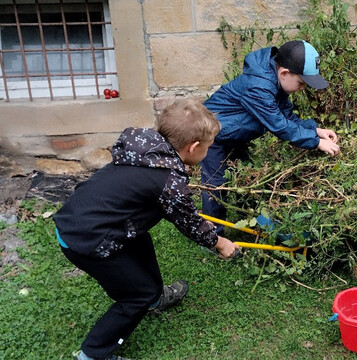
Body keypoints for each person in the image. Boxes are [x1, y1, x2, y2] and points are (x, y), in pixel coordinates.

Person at [53, 99, 239, 360]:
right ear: (193, 147)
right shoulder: (167, 180)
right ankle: (94, 354)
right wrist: (219, 243)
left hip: (86, 220)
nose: (208, 152)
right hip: (87, 239)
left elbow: (173, 206)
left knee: (142, 242)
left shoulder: (146, 151)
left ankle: (154, 298)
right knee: (134, 295)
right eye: (208, 147)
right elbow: (188, 222)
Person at [201, 40, 340, 233]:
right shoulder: (259, 87)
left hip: (234, 134)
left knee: (244, 176)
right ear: (284, 73)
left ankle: (251, 218)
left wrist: (315, 130)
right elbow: (279, 125)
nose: (303, 88)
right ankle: (212, 237)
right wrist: (315, 142)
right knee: (215, 185)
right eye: (301, 83)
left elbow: (286, 116)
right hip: (212, 136)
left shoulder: (274, 82)